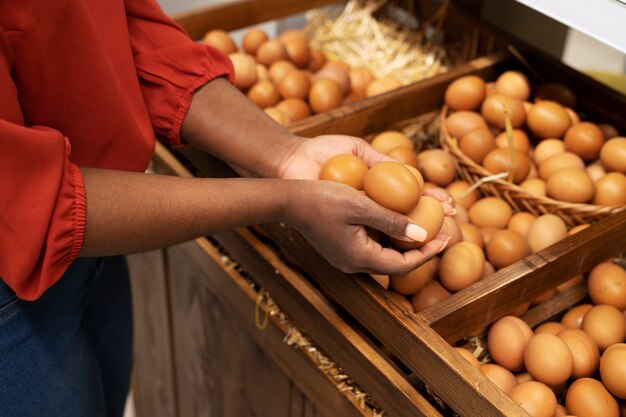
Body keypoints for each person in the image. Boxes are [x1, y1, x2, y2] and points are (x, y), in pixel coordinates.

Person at [0, 1, 451, 416]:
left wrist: (285, 154)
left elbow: (124, 30)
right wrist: (283, 200)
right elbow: (28, 202)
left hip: (90, 239)